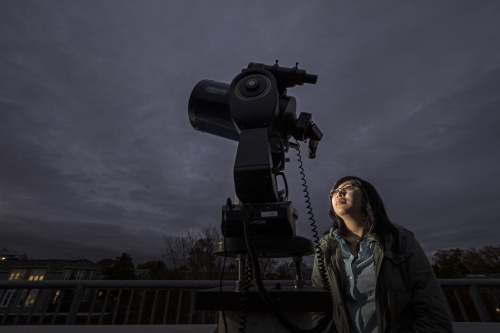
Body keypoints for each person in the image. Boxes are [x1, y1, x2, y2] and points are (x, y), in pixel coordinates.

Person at [311, 176, 453, 333]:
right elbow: (320, 308)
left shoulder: (401, 241)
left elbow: (432, 310)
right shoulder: (326, 248)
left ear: (368, 197)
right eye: (335, 191)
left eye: (349, 187)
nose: (339, 193)